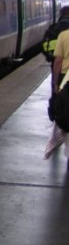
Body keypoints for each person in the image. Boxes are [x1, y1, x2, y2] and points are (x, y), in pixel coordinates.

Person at [46, 27, 69, 161]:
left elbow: (58, 61)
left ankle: (67, 149)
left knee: (66, 111)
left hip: (65, 78)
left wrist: (55, 83)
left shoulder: (64, 35)